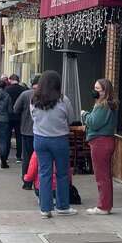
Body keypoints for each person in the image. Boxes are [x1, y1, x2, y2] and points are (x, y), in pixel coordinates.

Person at [31, 70, 78, 219]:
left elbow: (33, 118)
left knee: (44, 173)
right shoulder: (63, 100)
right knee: (62, 173)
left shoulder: (34, 100)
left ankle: (45, 209)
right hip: (59, 140)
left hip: (40, 139)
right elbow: (71, 119)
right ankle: (62, 206)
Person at [83, 78, 118, 215]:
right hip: (105, 141)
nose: (95, 91)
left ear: (105, 91)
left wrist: (84, 114)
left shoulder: (103, 106)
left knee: (102, 176)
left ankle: (103, 206)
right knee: (104, 175)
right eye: (95, 88)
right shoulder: (107, 105)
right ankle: (105, 205)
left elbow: (93, 122)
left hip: (100, 143)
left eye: (98, 89)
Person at [12, 75, 38, 190]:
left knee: (27, 158)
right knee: (41, 158)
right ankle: (39, 183)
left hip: (27, 130)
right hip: (42, 132)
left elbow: (15, 109)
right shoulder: (48, 95)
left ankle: (27, 182)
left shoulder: (25, 94)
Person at [7, 74, 28, 159]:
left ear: (10, 80)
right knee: (19, 136)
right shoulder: (23, 90)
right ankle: (19, 156)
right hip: (20, 116)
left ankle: (6, 156)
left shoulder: (7, 89)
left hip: (9, 116)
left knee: (7, 136)